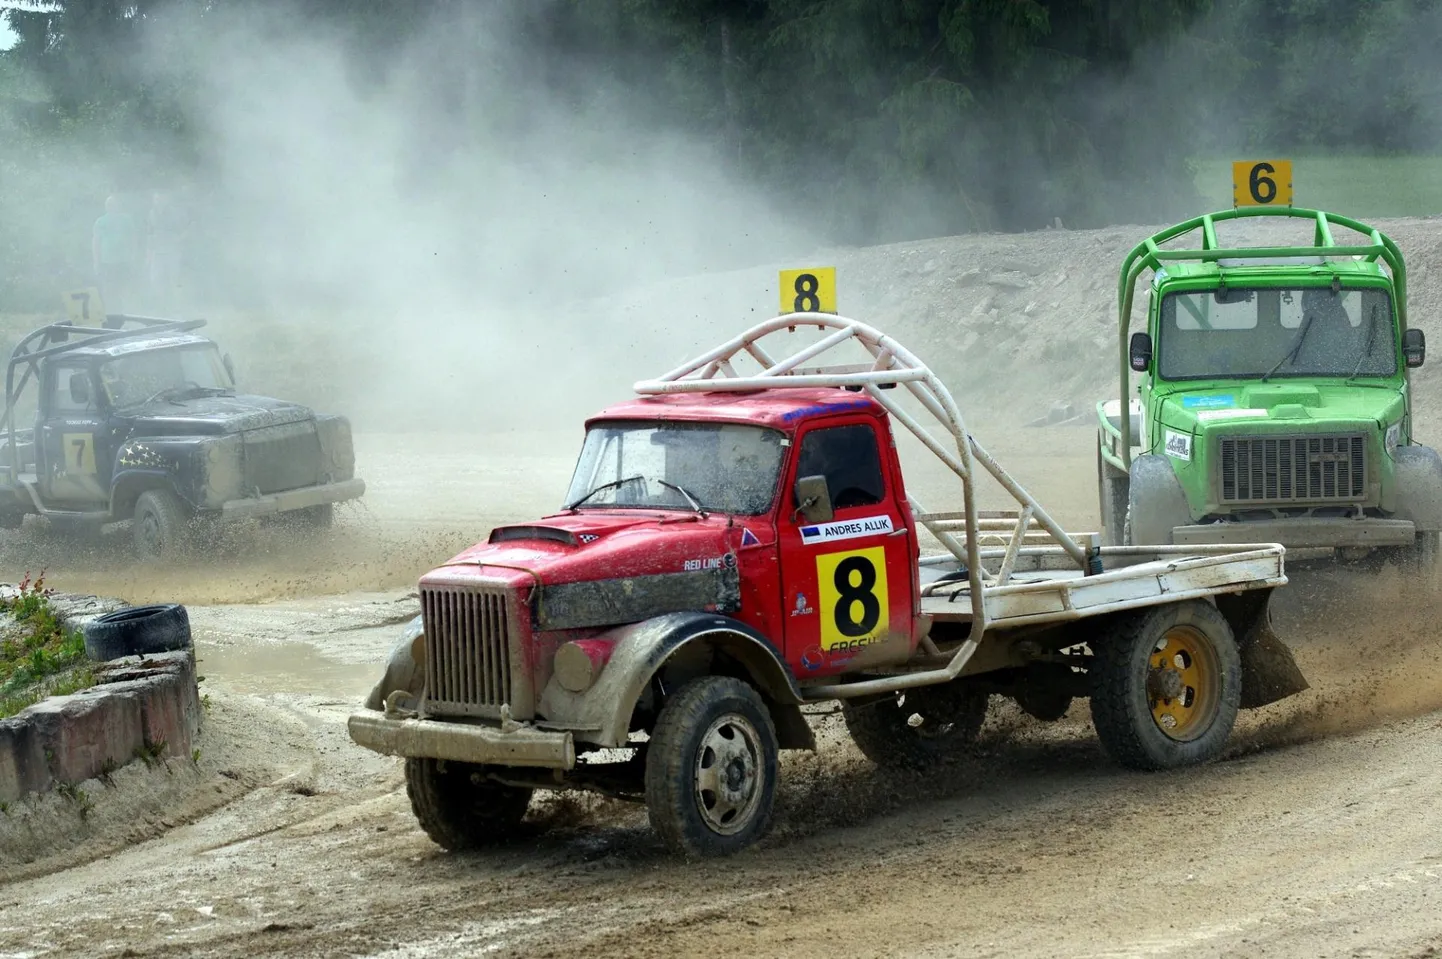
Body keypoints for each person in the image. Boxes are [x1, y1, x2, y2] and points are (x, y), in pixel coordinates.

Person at [92, 195, 144, 315]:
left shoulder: (126, 220)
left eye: (114, 204)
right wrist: (96, 262)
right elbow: (96, 242)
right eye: (109, 204)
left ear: (119, 206)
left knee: (124, 288)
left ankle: (125, 313)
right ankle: (110, 313)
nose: (111, 207)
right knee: (108, 290)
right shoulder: (100, 221)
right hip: (106, 262)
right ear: (106, 207)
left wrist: (134, 257)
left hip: (124, 261)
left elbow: (133, 240)